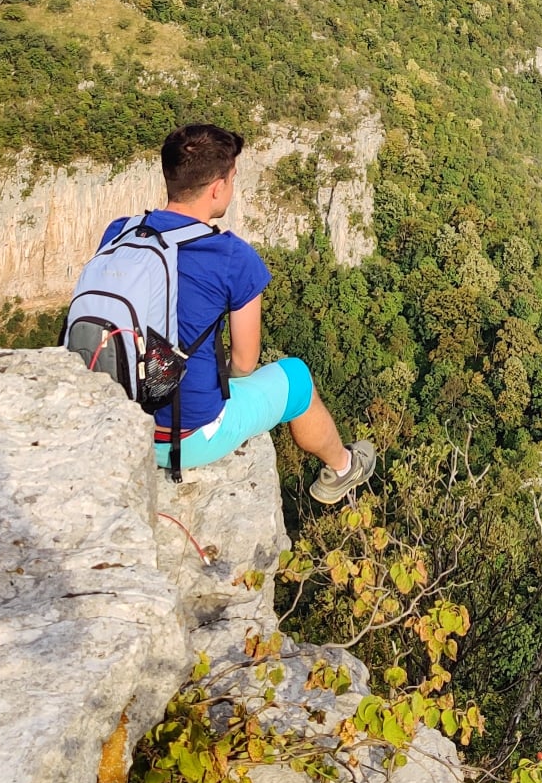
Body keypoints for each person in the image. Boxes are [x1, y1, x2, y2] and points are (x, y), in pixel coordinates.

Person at [87, 122, 376, 503]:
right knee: (296, 378)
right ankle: (342, 468)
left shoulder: (120, 231)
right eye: (233, 178)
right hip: (182, 438)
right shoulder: (231, 256)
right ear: (217, 188)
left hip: (115, 422)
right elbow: (243, 362)